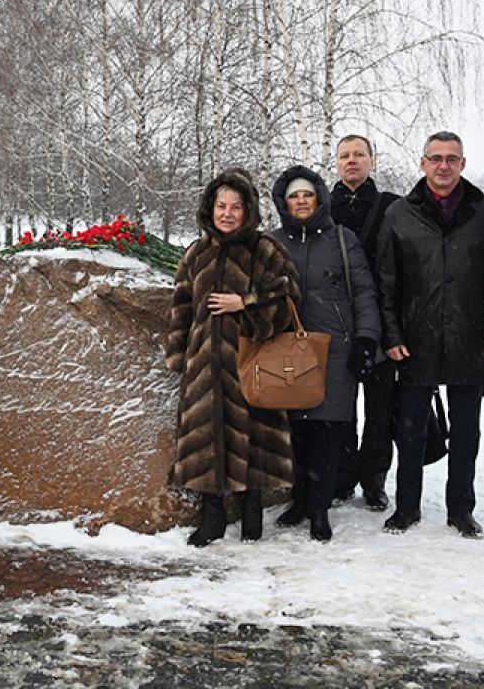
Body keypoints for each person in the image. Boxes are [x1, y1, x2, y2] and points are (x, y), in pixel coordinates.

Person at [377, 131, 484, 537]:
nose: (443, 166)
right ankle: (406, 507)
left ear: (463, 164)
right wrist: (392, 334)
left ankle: (461, 509)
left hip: (470, 336)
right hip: (416, 338)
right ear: (422, 163)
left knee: (466, 432)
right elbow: (387, 281)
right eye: (436, 158)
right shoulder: (399, 214)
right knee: (411, 429)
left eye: (452, 158)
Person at [164, 168, 300, 547]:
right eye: (221, 206)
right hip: (204, 364)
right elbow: (181, 306)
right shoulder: (196, 252)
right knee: (205, 435)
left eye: (235, 207)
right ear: (210, 208)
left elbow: (288, 300)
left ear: (248, 210)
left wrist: (247, 303)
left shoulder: (266, 250)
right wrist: (180, 356)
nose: (227, 213)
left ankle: (251, 506)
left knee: (253, 432)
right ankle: (212, 515)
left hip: (252, 360)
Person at [270, 166, 381, 541]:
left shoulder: (341, 239)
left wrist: (366, 338)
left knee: (329, 430)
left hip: (335, 349)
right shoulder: (272, 242)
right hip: (287, 348)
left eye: (307, 194)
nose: (301, 201)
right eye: (293, 196)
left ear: (318, 198)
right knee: (296, 429)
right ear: (283, 202)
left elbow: (364, 291)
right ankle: (300, 498)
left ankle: (320, 508)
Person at [329, 135, 401, 511]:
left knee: (379, 409)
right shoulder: (322, 208)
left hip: (383, 322)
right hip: (337, 324)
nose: (352, 161)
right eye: (345, 156)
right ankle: (341, 477)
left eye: (359, 154)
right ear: (336, 163)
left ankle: (374, 481)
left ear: (373, 160)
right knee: (339, 407)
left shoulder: (393, 207)